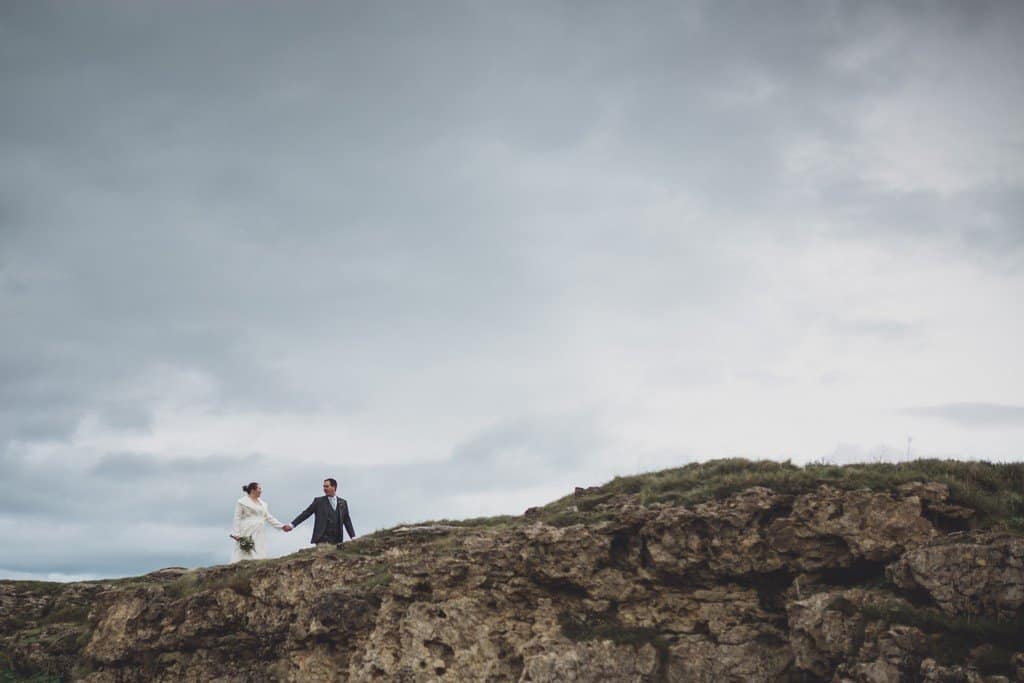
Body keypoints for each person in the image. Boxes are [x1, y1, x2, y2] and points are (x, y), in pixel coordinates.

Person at [229, 482, 293, 563]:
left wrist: (281, 526)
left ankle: (258, 561)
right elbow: (237, 518)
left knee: (259, 546)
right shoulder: (242, 502)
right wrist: (236, 533)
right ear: (253, 490)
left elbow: (268, 517)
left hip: (259, 529)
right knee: (247, 547)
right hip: (247, 528)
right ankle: (241, 564)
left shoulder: (262, 504)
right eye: (259, 489)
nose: (261, 491)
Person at [290, 477, 356, 547]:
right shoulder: (318, 501)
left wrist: (353, 537)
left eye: (327, 486)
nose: (324, 489)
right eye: (324, 487)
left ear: (334, 487)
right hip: (322, 538)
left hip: (337, 539)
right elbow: (306, 513)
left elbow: (347, 521)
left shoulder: (343, 503)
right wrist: (292, 525)